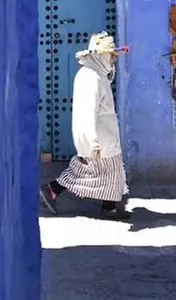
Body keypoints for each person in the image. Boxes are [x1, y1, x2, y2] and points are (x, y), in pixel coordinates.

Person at [40, 31, 131, 220]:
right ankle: (52, 190)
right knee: (92, 172)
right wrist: (93, 140)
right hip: (101, 137)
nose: (113, 59)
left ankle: (109, 207)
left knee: (105, 174)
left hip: (105, 135)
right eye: (110, 55)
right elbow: (87, 111)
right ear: (99, 55)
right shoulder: (92, 78)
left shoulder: (94, 74)